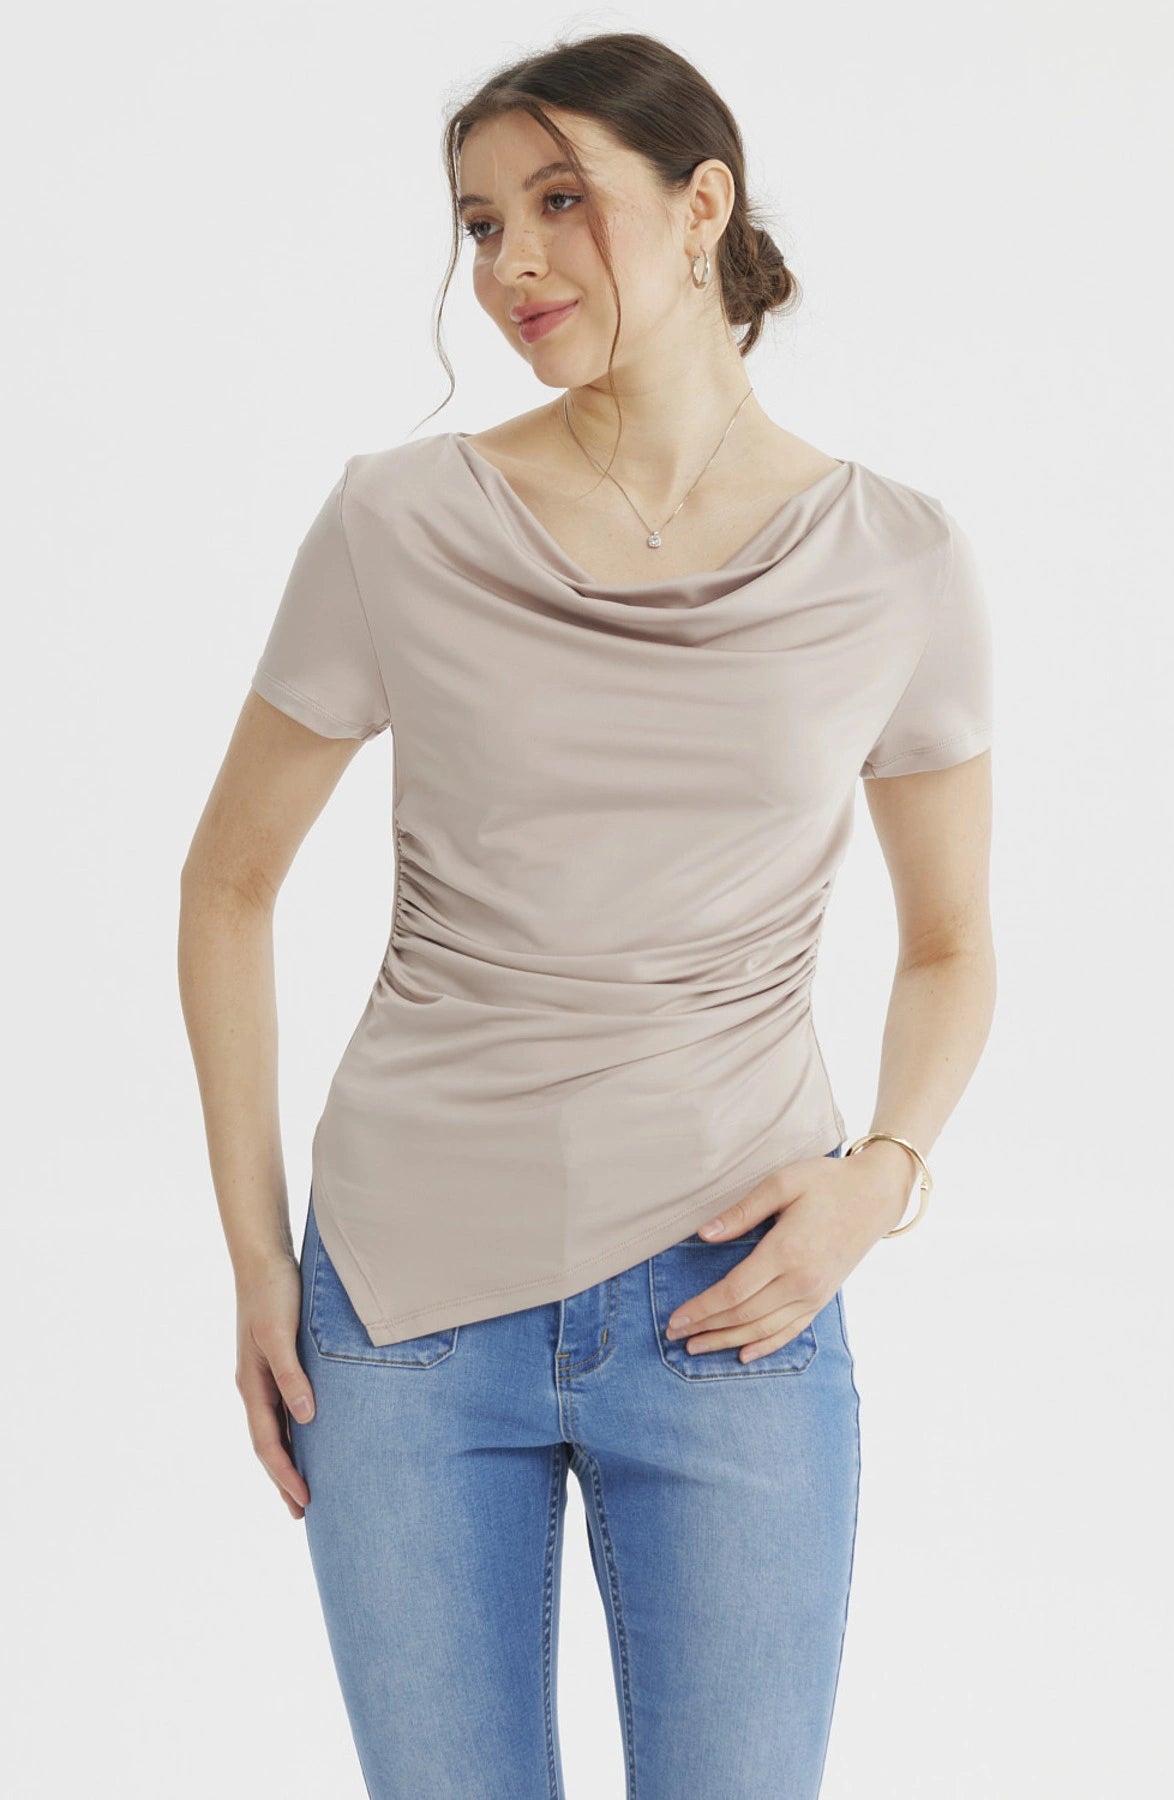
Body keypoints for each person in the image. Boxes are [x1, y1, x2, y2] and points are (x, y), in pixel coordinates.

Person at [178, 30, 995, 1800]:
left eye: (561, 203)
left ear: (703, 207)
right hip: (401, 1306)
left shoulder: (897, 559)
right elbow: (228, 882)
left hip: (739, 1294)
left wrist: (885, 1174)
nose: (512, 265)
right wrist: (254, 1255)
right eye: (480, 224)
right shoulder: (398, 521)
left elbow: (950, 943)